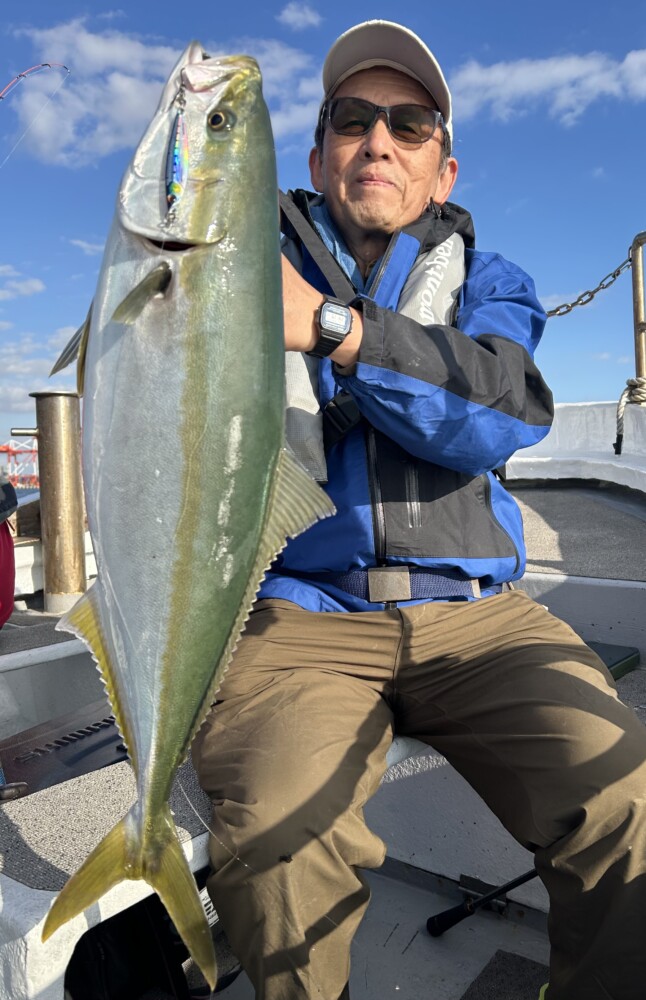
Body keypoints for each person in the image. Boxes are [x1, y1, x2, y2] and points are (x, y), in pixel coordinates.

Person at [193, 20, 646, 1000]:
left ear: (442, 167)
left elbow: (498, 406)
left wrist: (328, 326)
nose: (378, 140)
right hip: (301, 618)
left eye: (408, 123)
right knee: (274, 839)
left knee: (626, 800)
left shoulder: (490, 280)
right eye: (352, 119)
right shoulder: (231, 268)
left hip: (481, 618)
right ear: (316, 156)